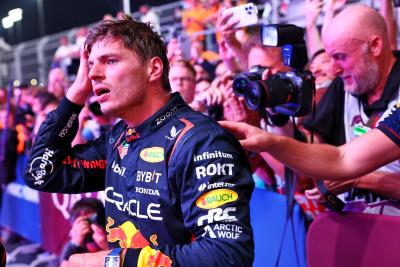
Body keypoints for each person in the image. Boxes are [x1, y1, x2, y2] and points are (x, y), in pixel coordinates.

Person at [24, 16, 254, 266]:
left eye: (110, 61)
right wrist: (77, 92)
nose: (93, 74)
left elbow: (226, 255)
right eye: (90, 65)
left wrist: (113, 261)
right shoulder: (121, 136)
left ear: (153, 69)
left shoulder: (200, 141)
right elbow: (41, 173)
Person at [221, 5, 400, 209]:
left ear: (375, 46)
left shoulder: (330, 89)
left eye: (341, 56)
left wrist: (360, 178)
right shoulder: (343, 86)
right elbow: (328, 158)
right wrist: (274, 129)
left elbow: (339, 164)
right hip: (352, 228)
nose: (334, 69)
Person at [59, 198, 108, 267]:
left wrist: (105, 244)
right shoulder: (71, 245)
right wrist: (76, 243)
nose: (88, 226)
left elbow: (122, 261)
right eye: (84, 221)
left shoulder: (113, 235)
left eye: (92, 220)